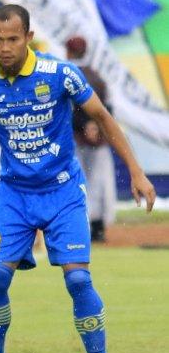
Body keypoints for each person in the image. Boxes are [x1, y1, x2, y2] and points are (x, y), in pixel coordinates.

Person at [0, 5, 156, 353]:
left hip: (62, 191)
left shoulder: (62, 74)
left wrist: (136, 171)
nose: (4, 47)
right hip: (13, 195)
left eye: (12, 39)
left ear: (28, 38)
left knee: (78, 279)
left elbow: (103, 118)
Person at [67, 36, 116, 242]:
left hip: (77, 140)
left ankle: (84, 227)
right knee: (99, 182)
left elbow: (69, 109)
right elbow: (108, 108)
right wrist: (96, 126)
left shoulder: (69, 75)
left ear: (69, 52)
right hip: (98, 141)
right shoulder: (97, 76)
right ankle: (98, 226)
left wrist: (83, 125)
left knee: (79, 182)